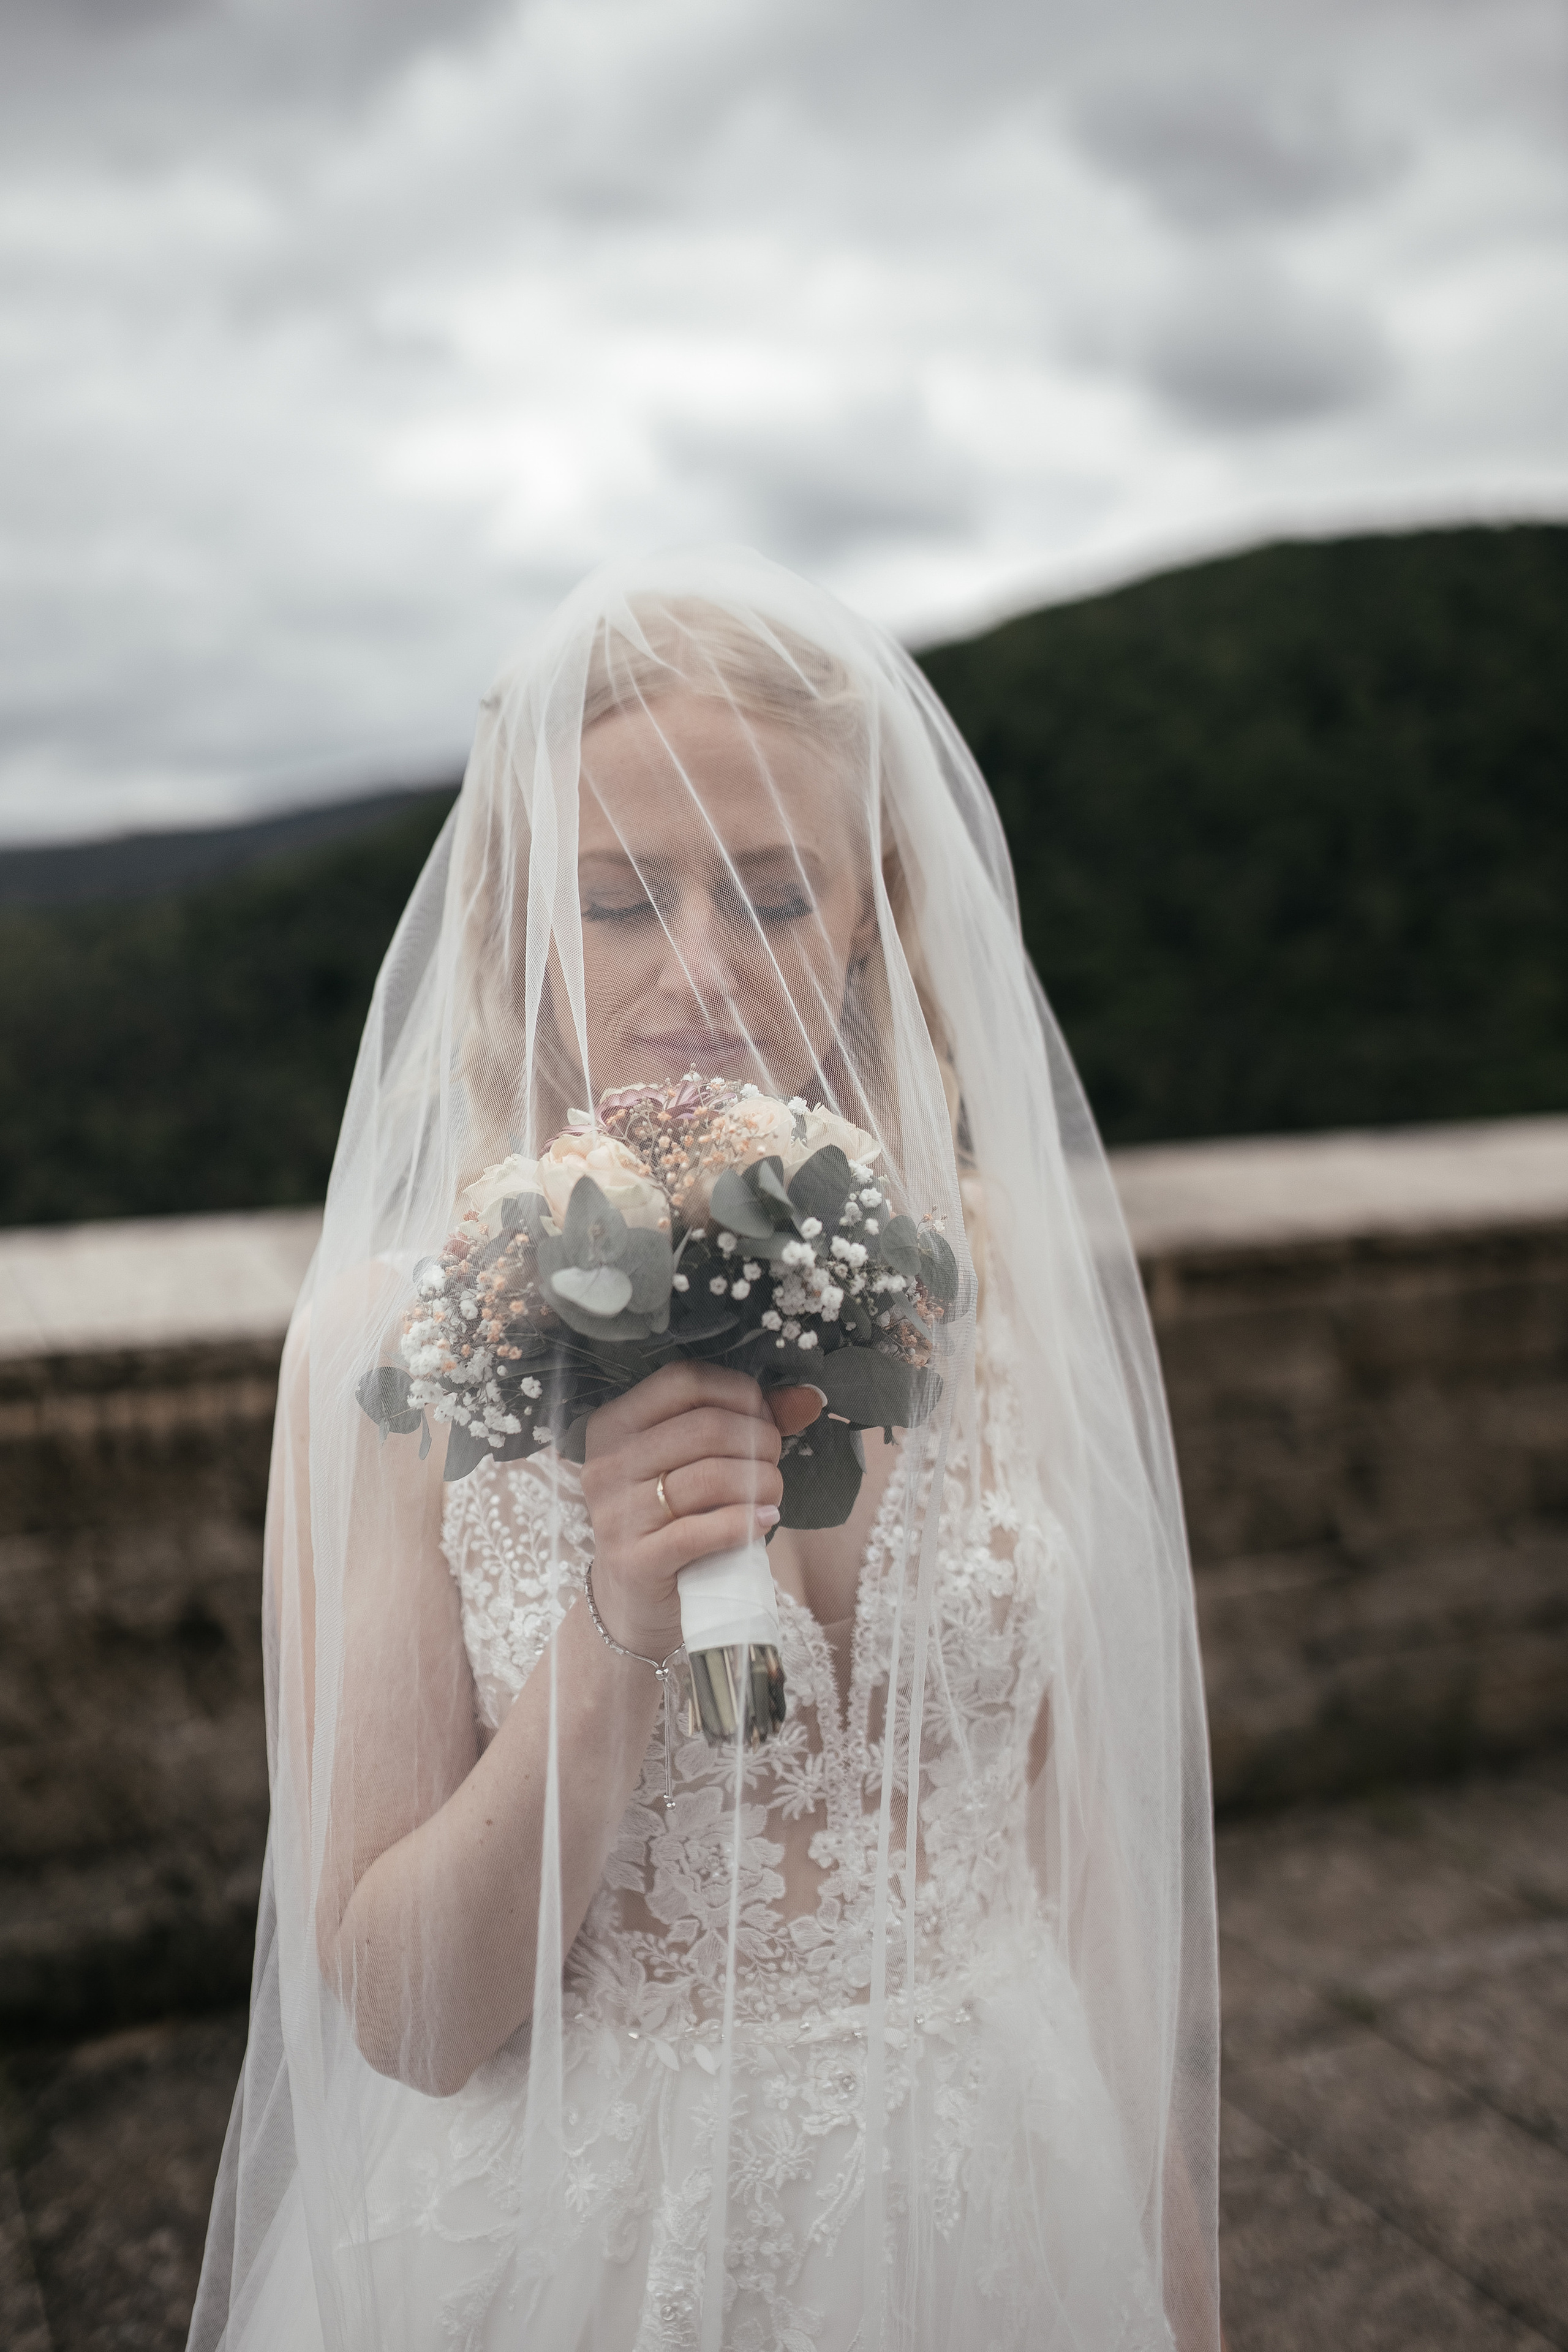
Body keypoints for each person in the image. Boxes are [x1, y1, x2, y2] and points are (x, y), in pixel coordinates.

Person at [188, 548, 1220, 2351]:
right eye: (614, 902)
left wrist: (1169, 2251)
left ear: (868, 915)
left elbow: (1090, 1889)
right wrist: (610, 1641)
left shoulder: (1002, 1294)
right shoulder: (398, 1354)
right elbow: (415, 2025)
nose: (699, 973)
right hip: (582, 2242)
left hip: (1000, 2193)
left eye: (769, 893)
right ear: (520, 927)